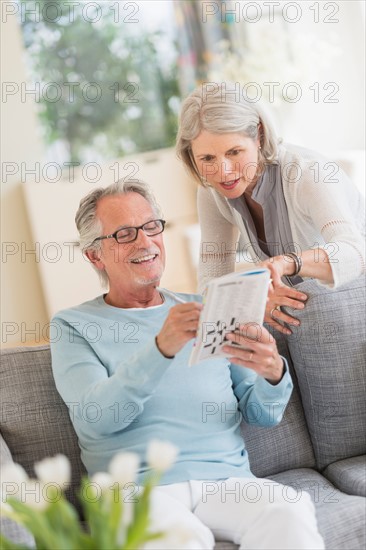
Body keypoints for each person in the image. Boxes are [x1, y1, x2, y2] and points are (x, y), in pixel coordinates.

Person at [50, 179, 324, 549]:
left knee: (289, 510)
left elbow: (262, 414)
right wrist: (161, 348)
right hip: (136, 492)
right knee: (178, 539)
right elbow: (96, 418)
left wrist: (272, 372)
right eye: (125, 234)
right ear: (94, 255)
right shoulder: (73, 326)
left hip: (226, 482)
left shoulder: (210, 305)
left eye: (151, 227)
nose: (145, 242)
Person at [176, 82, 365, 334]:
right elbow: (212, 282)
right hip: (294, 315)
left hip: (347, 300)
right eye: (207, 158)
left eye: (234, 152)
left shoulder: (308, 173)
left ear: (260, 135)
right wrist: (249, 305)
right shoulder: (211, 193)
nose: (223, 172)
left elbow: (355, 252)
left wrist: (289, 263)